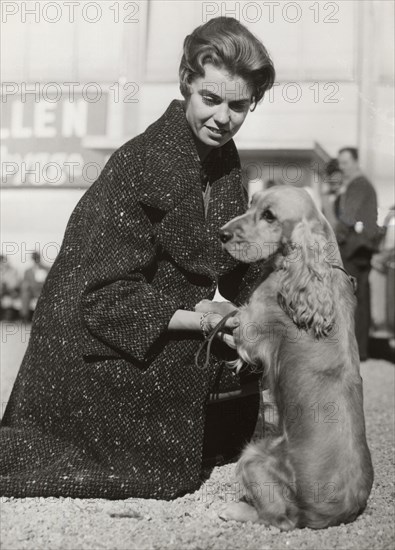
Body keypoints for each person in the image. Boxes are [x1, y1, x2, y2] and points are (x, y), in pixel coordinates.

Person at [0, 17, 275, 499]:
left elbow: (238, 259)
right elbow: (104, 298)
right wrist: (208, 321)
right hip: (87, 346)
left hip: (154, 323)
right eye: (211, 99)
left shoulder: (225, 161)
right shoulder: (140, 161)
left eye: (239, 106)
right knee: (171, 455)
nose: (223, 118)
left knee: (248, 371)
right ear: (186, 83)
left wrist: (261, 307)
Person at [335, 147, 379, 361]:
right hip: (361, 247)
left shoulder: (358, 185)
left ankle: (356, 350)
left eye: (345, 163)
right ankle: (361, 349)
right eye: (340, 163)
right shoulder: (359, 184)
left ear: (355, 162)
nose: (342, 167)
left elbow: (348, 217)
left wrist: (332, 241)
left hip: (354, 249)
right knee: (359, 298)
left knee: (351, 299)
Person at [20, 251, 50, 322]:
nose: (36, 260)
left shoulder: (46, 269)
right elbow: (25, 282)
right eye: (34, 258)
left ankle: (42, 318)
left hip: (42, 290)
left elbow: (48, 282)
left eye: (37, 258)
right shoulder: (28, 271)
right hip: (31, 291)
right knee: (25, 294)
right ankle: (24, 316)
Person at [321, 158, 343, 230]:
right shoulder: (325, 198)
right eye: (333, 183)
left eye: (340, 183)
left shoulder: (344, 196)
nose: (337, 186)